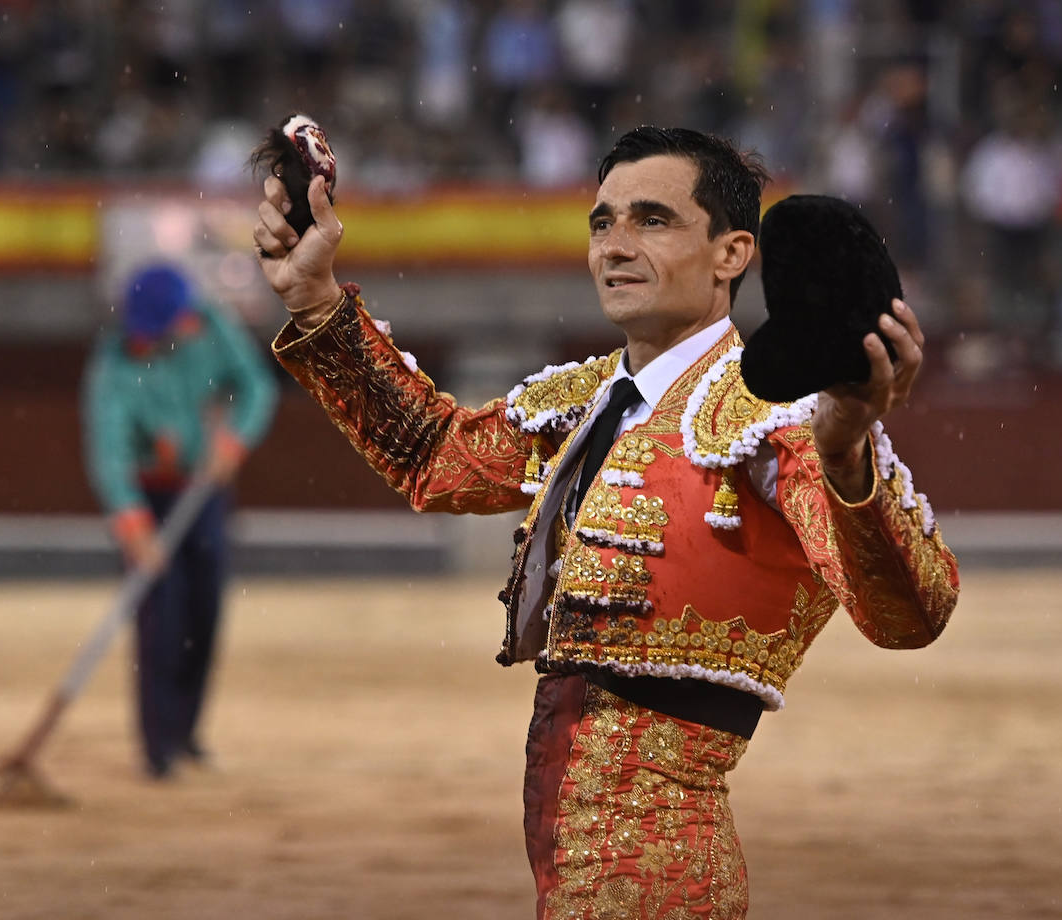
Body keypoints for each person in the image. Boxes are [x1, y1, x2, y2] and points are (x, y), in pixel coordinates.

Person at [253, 126, 959, 918]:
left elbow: (910, 615)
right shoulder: (586, 399)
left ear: (731, 254)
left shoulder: (777, 419)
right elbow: (434, 456)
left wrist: (846, 453)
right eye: (602, 223)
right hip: (579, 843)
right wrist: (313, 298)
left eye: (652, 221)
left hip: (660, 858)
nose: (616, 247)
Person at [82, 262, 278, 780]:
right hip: (149, 498)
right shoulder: (115, 364)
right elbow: (109, 451)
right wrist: (131, 523)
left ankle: (187, 732)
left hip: (204, 491)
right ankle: (158, 747)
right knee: (159, 623)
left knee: (202, 614)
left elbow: (256, 388)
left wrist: (234, 439)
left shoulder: (211, 325)